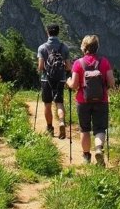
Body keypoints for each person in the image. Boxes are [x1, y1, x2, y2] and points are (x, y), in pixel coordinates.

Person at [67, 34, 115, 166]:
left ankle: (86, 157)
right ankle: (99, 149)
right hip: (101, 100)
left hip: (83, 101)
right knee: (100, 129)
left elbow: (75, 85)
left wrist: (68, 81)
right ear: (97, 47)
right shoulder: (104, 62)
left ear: (83, 47)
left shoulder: (78, 63)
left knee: (85, 129)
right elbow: (111, 83)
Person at [37, 24, 69, 139]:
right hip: (60, 79)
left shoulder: (42, 48)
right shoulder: (64, 47)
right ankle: (61, 122)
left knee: (47, 104)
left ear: (47, 32)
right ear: (58, 32)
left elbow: (41, 67)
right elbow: (68, 67)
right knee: (59, 103)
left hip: (46, 79)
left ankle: (50, 127)